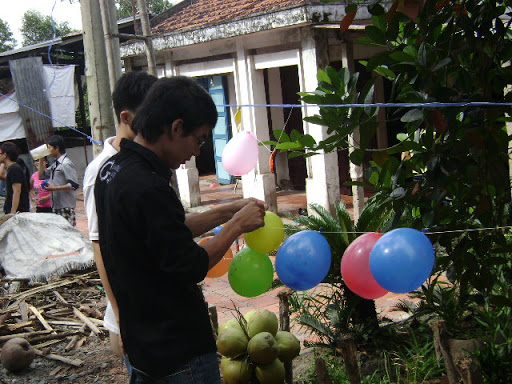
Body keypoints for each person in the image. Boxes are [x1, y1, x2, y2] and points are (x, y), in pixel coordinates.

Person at [95, 76, 267, 383]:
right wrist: (236, 226)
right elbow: (189, 264)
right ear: (175, 128)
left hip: (142, 348)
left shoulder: (112, 170)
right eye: (199, 139)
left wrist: (227, 210)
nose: (198, 152)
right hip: (177, 354)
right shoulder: (148, 186)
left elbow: (164, 232)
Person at [82, 71, 157, 364]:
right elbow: (101, 247)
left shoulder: (150, 160)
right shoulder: (101, 171)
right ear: (126, 118)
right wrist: (121, 314)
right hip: (132, 312)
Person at [38, 135, 79, 226]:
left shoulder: (66, 163)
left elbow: (74, 185)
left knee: (69, 234)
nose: (48, 151)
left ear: (57, 148)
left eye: (49, 148)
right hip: (56, 206)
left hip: (66, 206)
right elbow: (41, 176)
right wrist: (41, 158)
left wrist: (54, 188)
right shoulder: (55, 164)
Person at [0, 142, 30, 214]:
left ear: (5, 155)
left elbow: (17, 191)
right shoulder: (10, 169)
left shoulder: (15, 169)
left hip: (19, 211)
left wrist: (13, 212)